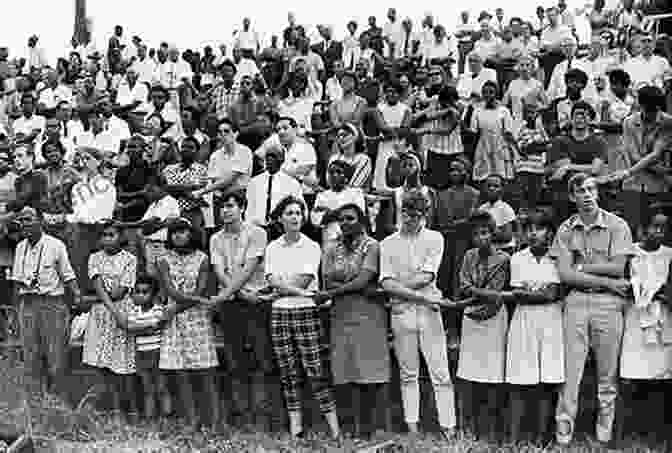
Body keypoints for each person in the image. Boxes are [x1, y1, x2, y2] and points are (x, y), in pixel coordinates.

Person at [551, 172, 634, 446]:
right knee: (570, 372)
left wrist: (582, 267)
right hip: (575, 302)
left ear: (597, 193)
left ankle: (604, 432)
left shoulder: (617, 225)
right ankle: (564, 433)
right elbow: (565, 275)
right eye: (579, 191)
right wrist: (607, 282)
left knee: (607, 373)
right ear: (571, 196)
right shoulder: (565, 229)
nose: (586, 195)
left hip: (608, 305)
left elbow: (618, 267)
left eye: (590, 189)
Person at [379, 189, 457, 440]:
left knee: (440, 372)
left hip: (426, 313)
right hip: (408, 311)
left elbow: (427, 276)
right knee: (408, 372)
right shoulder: (387, 243)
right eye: (405, 213)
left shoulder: (435, 239)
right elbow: (385, 283)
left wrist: (399, 290)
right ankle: (412, 427)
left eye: (415, 215)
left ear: (424, 215)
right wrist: (420, 296)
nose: (409, 219)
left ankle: (449, 427)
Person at [265, 195, 342, 441]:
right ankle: (296, 430)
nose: (295, 217)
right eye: (289, 213)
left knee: (316, 370)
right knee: (288, 372)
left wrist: (289, 290)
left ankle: (335, 430)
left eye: (299, 212)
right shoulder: (272, 247)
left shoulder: (312, 246)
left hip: (305, 311)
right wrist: (290, 290)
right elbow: (272, 281)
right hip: (280, 313)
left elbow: (305, 279)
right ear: (280, 218)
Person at [317, 203, 389, 439]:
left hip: (368, 314)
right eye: (342, 219)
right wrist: (347, 289)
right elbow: (328, 280)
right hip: (341, 315)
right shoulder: (331, 248)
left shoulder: (372, 246)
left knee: (368, 371)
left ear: (362, 221)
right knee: (345, 370)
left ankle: (370, 430)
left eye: (350, 218)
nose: (345, 223)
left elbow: (365, 279)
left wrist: (334, 292)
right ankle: (350, 429)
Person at [209, 190, 273, 428]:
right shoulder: (215, 238)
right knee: (234, 360)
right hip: (232, 302)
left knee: (261, 357)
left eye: (231, 205)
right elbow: (219, 270)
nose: (226, 210)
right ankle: (241, 416)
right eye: (222, 206)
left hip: (256, 302)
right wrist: (236, 293)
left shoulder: (257, 233)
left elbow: (249, 267)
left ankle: (264, 416)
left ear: (242, 207)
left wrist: (243, 293)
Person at [506, 210, 565, 443]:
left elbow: (554, 293)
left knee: (545, 382)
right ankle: (513, 438)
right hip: (524, 321)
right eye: (529, 229)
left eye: (539, 228)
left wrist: (533, 292)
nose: (533, 233)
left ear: (549, 232)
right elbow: (517, 294)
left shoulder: (559, 258)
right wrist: (539, 293)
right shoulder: (517, 258)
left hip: (551, 322)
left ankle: (542, 438)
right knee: (520, 380)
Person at [10, 207, 81, 396]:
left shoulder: (55, 245)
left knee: (55, 356)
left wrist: (77, 296)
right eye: (22, 221)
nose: (24, 224)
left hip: (51, 303)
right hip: (28, 304)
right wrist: (16, 311)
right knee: (31, 357)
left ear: (40, 221)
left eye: (28, 219)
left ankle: (58, 400)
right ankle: (37, 403)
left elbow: (68, 276)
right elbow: (17, 283)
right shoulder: (20, 247)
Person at [157, 218, 220, 431]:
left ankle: (214, 421)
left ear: (191, 233)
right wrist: (181, 306)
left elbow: (200, 290)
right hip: (175, 323)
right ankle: (192, 420)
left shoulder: (202, 258)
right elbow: (170, 290)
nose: (178, 235)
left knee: (205, 372)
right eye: (174, 232)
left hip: (196, 319)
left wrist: (175, 308)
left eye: (182, 231)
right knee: (181, 373)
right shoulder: (163, 259)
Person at [617, 211, 672, 444]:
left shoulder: (669, 254)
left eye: (662, 228)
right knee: (631, 373)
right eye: (653, 227)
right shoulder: (631, 252)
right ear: (641, 228)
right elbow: (622, 283)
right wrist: (639, 290)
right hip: (635, 317)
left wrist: (657, 292)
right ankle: (626, 432)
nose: (657, 232)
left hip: (661, 319)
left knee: (660, 375)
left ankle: (655, 431)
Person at [457, 210, 511, 442]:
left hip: (494, 318)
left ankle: (494, 430)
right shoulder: (469, 256)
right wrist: (480, 295)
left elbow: (496, 295)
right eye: (477, 234)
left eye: (486, 233)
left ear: (493, 234)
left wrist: (479, 294)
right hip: (471, 317)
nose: (482, 238)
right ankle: (472, 428)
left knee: (493, 373)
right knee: (471, 374)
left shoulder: (503, 259)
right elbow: (463, 284)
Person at [83, 220, 138, 424]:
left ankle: (125, 411)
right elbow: (98, 285)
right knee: (101, 365)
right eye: (104, 235)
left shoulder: (130, 259)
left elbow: (120, 291)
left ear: (121, 237)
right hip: (102, 316)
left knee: (120, 365)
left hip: (121, 314)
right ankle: (107, 410)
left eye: (112, 235)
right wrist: (111, 308)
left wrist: (112, 308)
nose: (107, 239)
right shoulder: (94, 258)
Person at [607, 86, 672, 234]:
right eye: (649, 110)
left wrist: (627, 172)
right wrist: (661, 170)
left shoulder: (668, 122)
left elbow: (656, 153)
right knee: (632, 230)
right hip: (633, 185)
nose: (653, 114)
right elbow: (634, 156)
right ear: (641, 106)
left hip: (658, 186)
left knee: (657, 231)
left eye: (656, 110)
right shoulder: (628, 122)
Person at [246, 144, 303, 232]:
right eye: (268, 156)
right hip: (256, 228)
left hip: (281, 230)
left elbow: (299, 209)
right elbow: (249, 209)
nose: (269, 159)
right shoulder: (254, 182)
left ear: (281, 160)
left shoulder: (292, 184)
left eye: (273, 156)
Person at [470, 81, 517, 185]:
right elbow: (473, 132)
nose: (488, 95)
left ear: (496, 93)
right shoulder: (477, 111)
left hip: (500, 148)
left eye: (491, 92)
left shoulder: (504, 111)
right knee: (483, 179)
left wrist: (515, 150)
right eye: (485, 92)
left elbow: (508, 133)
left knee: (501, 179)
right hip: (483, 148)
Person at [374, 82, 411, 192]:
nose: (391, 94)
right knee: (381, 181)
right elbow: (382, 127)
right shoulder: (379, 108)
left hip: (400, 148)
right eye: (388, 91)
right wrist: (396, 131)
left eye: (394, 92)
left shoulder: (406, 109)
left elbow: (405, 130)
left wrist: (390, 132)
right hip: (384, 148)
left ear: (399, 94)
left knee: (399, 183)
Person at [479, 174, 517, 254]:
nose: (491, 188)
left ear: (502, 189)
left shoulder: (506, 209)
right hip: (487, 249)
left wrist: (491, 230)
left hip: (504, 250)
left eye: (496, 186)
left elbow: (507, 236)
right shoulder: (482, 209)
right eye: (489, 186)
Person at [328, 123, 372, 190]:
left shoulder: (364, 159)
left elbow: (355, 185)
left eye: (345, 135)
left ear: (355, 136)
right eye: (339, 136)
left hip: (355, 198)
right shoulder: (333, 158)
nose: (341, 138)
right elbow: (330, 183)